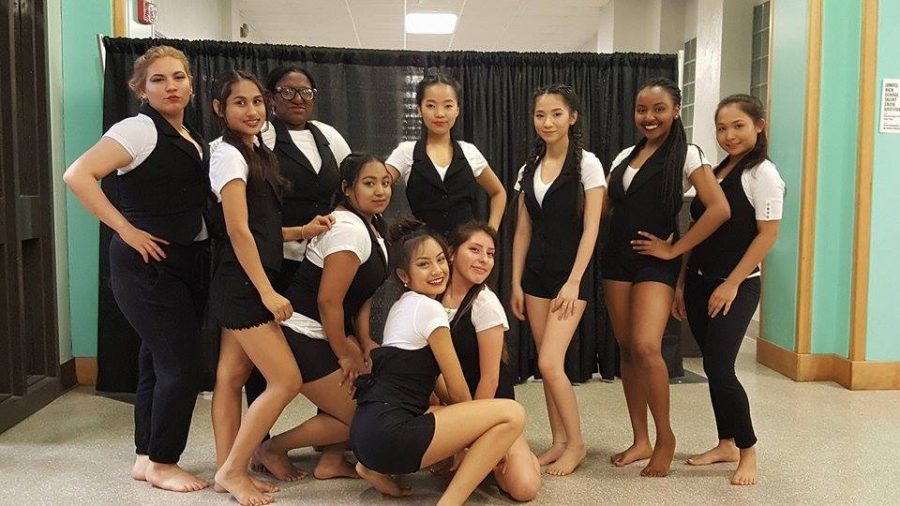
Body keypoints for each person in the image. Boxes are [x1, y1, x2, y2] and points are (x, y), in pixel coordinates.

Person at [63, 45, 209, 493]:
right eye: (159, 79)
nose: (171, 86)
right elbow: (78, 175)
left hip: (182, 261)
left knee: (155, 360)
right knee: (181, 366)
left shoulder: (187, 136)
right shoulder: (139, 128)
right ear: (140, 88)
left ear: (191, 83)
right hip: (147, 265)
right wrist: (125, 229)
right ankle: (165, 462)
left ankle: (146, 456)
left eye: (179, 77)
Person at [206, 70, 329, 506]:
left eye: (257, 101)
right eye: (240, 103)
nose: (252, 110)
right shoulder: (226, 155)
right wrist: (266, 292)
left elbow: (261, 228)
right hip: (242, 283)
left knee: (232, 376)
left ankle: (227, 468)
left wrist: (302, 229)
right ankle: (235, 468)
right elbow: (238, 231)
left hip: (243, 278)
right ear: (220, 109)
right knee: (285, 379)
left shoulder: (253, 150)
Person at [602, 77, 730, 477]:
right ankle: (639, 439)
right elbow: (606, 209)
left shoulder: (689, 154)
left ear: (676, 111)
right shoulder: (625, 154)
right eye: (642, 110)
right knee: (625, 349)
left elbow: (718, 208)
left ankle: (665, 438)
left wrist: (674, 249)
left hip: (656, 263)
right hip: (616, 260)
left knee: (645, 347)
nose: (649, 117)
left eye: (658, 109)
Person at [350, 222, 525, 505]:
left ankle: (372, 467)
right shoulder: (431, 309)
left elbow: (431, 379)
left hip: (363, 435)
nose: (437, 270)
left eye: (440, 260)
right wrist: (471, 435)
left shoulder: (401, 306)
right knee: (512, 413)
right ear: (404, 275)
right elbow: (457, 392)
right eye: (424, 264)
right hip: (390, 435)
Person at [252, 153, 392, 482]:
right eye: (369, 183)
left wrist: (365, 341)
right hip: (303, 333)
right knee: (362, 416)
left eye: (385, 183)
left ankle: (330, 462)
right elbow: (328, 301)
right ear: (347, 188)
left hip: (326, 332)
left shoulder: (373, 227)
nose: (380, 191)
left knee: (367, 395)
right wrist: (345, 351)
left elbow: (362, 296)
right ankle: (270, 449)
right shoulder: (347, 228)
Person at [243, 65, 353, 479]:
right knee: (264, 363)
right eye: (287, 92)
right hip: (275, 263)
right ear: (271, 97)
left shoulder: (330, 137)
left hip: (321, 263)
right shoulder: (260, 138)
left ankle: (330, 448)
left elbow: (350, 185)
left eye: (305, 92)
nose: (297, 99)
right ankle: (260, 445)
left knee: (328, 348)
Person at [671, 94, 784, 486]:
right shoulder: (716, 170)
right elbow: (697, 233)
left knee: (720, 368)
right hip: (700, 284)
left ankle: (748, 451)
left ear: (759, 125)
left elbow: (768, 236)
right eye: (722, 127)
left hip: (736, 287)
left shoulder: (763, 173)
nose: (729, 135)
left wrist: (733, 282)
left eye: (738, 126)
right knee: (712, 366)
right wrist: (682, 283)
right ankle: (726, 443)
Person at [510, 84, 607, 476]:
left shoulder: (588, 164)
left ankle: (577, 444)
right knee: (545, 362)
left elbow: (592, 227)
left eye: (555, 114)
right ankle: (559, 441)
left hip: (571, 277)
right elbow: (521, 232)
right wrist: (515, 283)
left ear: (573, 117)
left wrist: (574, 281)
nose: (547, 122)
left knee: (551, 363)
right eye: (540, 115)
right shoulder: (526, 169)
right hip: (535, 276)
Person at [441, 221, 541, 501]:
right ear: (451, 253)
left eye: (490, 253)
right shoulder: (431, 297)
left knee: (524, 488)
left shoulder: (486, 304)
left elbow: (490, 379)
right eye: (474, 249)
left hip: (490, 411)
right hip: (448, 406)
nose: (484, 259)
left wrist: (471, 438)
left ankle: (520, 452)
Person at [385, 72, 506, 237]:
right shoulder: (407, 152)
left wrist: (490, 234)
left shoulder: (470, 152)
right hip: (425, 251)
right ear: (419, 109)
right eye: (431, 105)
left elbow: (499, 193)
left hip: (465, 251)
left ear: (458, 109)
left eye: (448, 106)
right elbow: (378, 183)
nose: (440, 114)